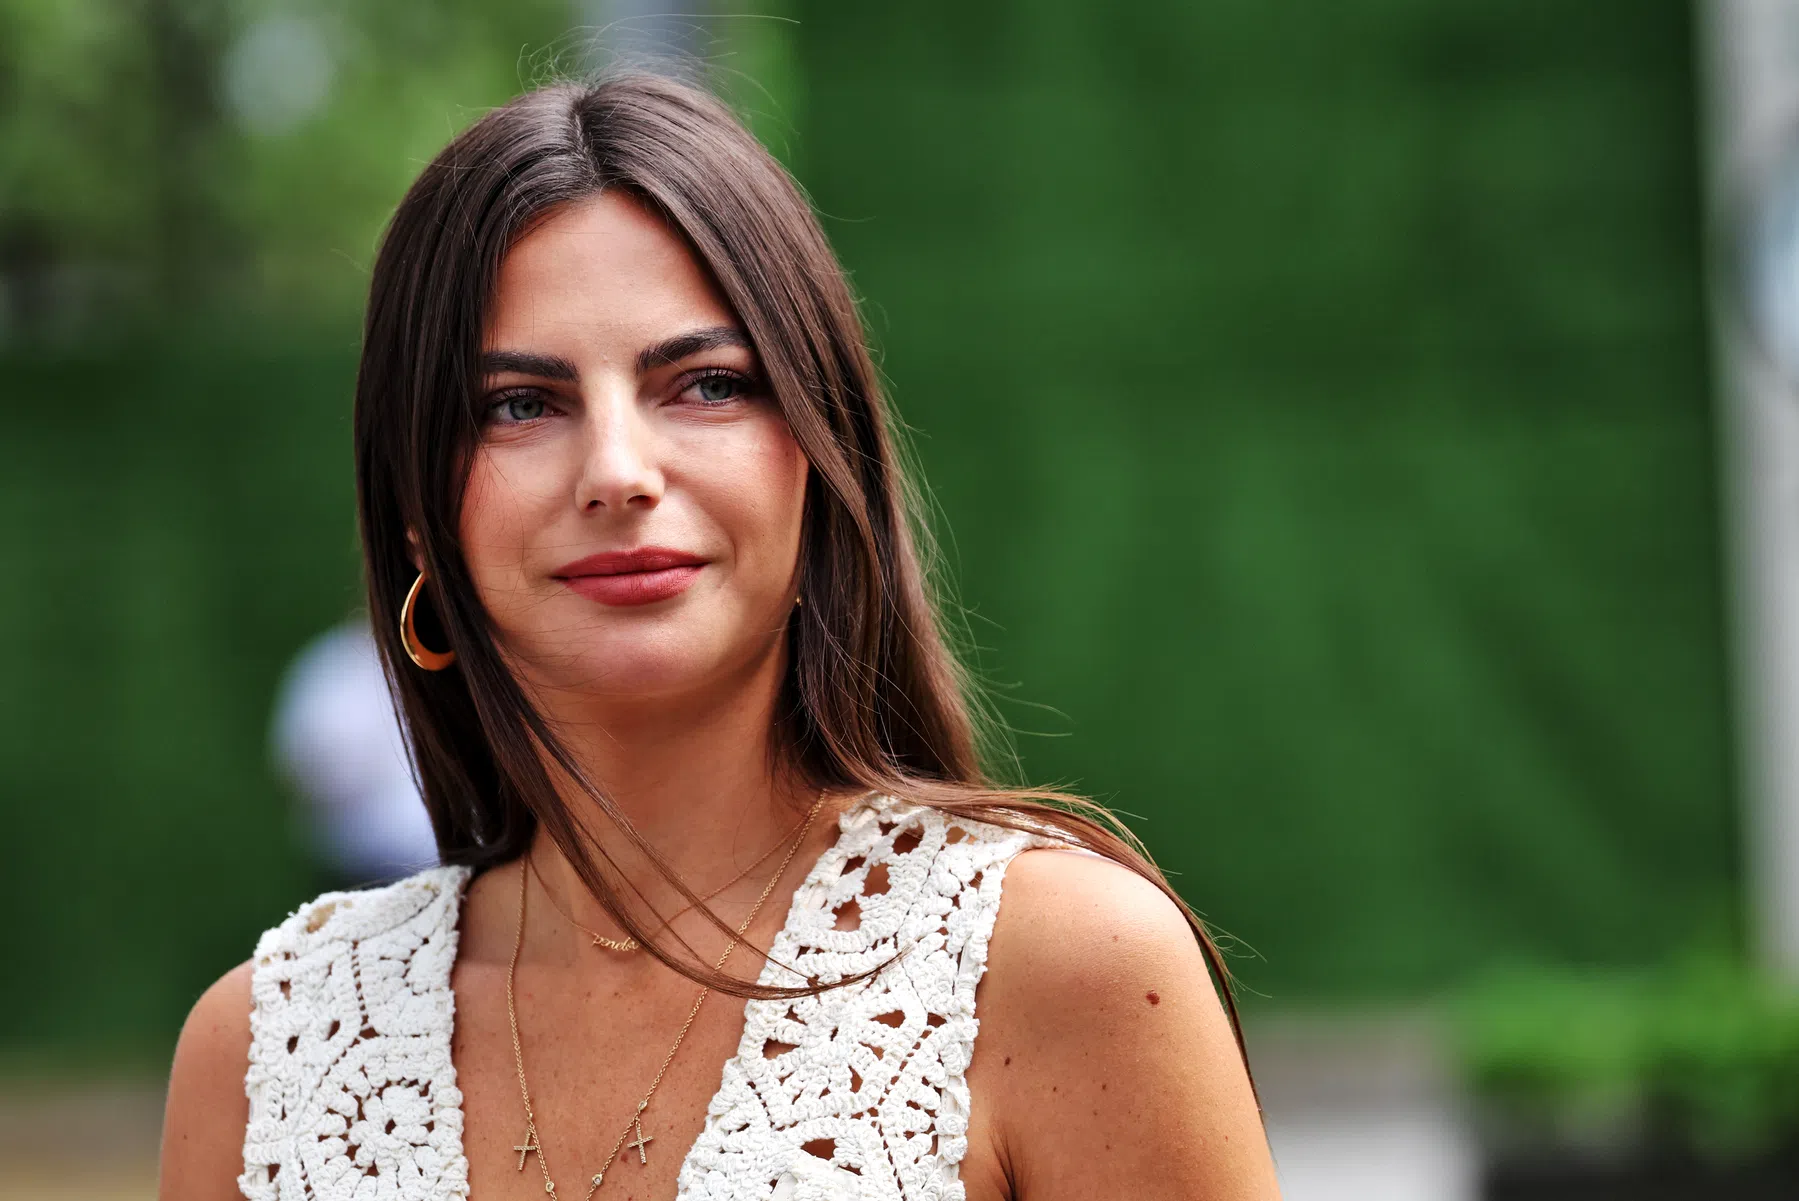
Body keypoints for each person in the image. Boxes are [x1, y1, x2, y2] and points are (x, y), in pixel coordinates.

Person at [158, 69, 1279, 1200]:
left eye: (703, 385)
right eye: (519, 405)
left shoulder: (1055, 968)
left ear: (816, 451)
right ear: (414, 507)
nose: (617, 471)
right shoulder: (265, 1053)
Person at [270, 618, 440, 885]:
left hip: (444, 852)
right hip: (370, 858)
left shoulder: (441, 659)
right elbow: (304, 768)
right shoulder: (333, 667)